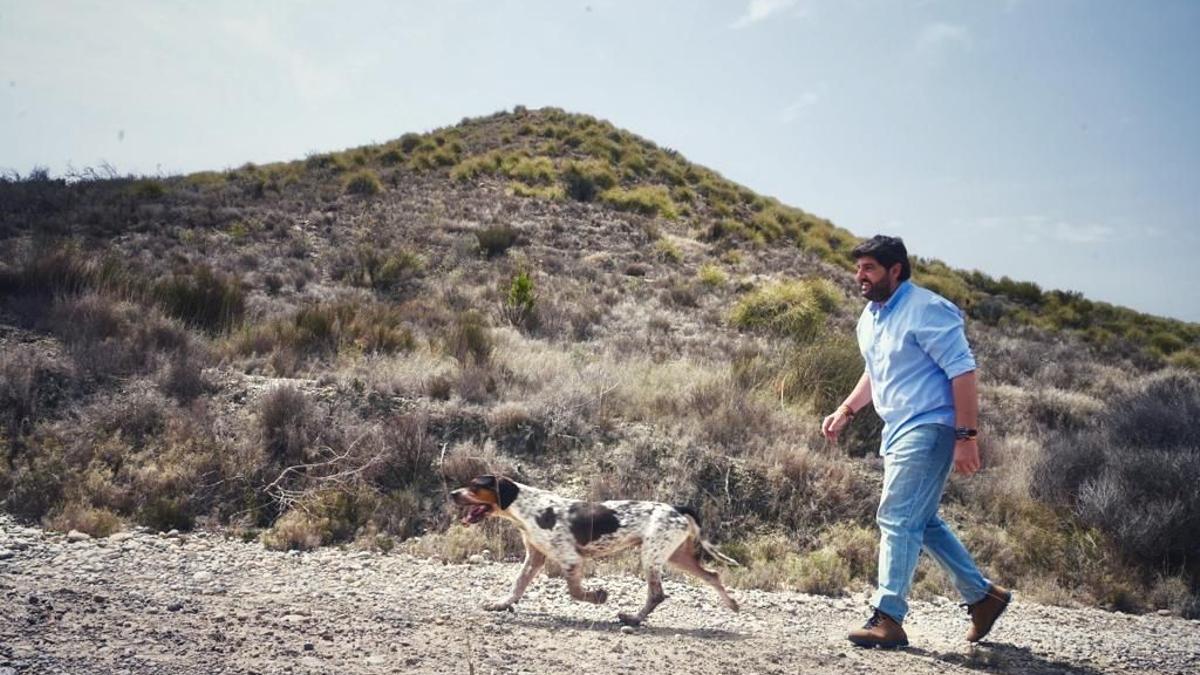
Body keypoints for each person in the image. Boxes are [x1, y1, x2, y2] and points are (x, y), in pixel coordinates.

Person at [821, 235, 1011, 649]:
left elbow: (963, 373)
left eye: (869, 268)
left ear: (896, 270)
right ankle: (983, 598)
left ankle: (888, 617)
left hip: (931, 425)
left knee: (895, 517)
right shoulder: (870, 318)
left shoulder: (928, 310)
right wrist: (846, 410)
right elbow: (876, 372)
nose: (860, 277)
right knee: (920, 521)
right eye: (858, 268)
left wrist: (966, 437)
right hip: (899, 427)